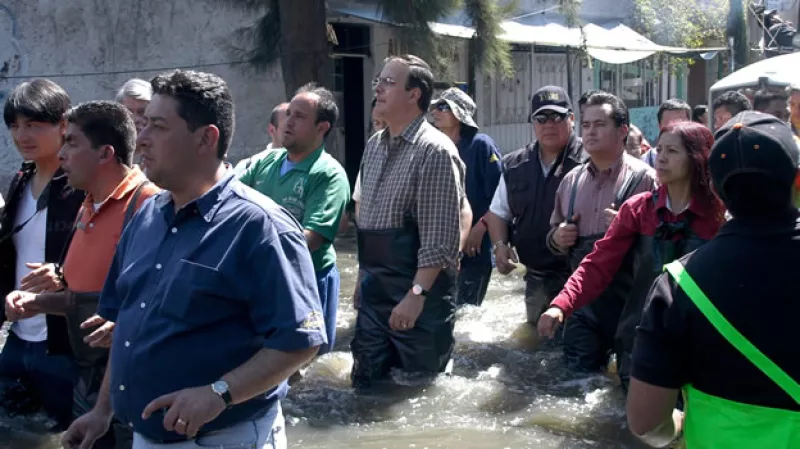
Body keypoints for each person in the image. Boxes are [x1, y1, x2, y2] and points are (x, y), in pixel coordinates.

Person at [61, 70, 326, 449]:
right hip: (145, 435)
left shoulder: (260, 226)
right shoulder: (146, 216)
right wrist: (103, 410)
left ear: (206, 138)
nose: (142, 140)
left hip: (223, 438)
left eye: (157, 126)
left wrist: (220, 392)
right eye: (142, 124)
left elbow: (300, 341)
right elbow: (128, 327)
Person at [627, 112, 800, 448]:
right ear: (797, 180)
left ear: (718, 191)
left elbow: (645, 422)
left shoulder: (678, 285)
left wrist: (675, 426)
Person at [5, 100, 158, 448]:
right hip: (89, 382)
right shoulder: (87, 203)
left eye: (71, 143)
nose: (62, 154)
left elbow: (159, 303)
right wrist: (39, 302)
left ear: (105, 154)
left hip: (132, 389)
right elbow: (88, 299)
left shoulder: (147, 205)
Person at [538, 122, 725, 392]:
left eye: (672, 151)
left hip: (698, 341)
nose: (660, 157)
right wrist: (561, 304)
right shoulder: (638, 210)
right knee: (636, 427)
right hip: (641, 338)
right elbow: (597, 264)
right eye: (659, 149)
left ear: (697, 159)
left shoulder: (718, 216)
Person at [351, 55, 466, 389]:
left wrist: (416, 294)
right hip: (375, 292)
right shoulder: (374, 145)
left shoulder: (435, 150)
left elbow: (440, 239)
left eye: (388, 82)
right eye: (378, 81)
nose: (378, 88)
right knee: (366, 385)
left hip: (420, 297)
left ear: (414, 94)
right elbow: (368, 223)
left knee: (418, 390)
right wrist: (362, 277)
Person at [547, 92, 656, 373]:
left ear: (622, 131)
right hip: (584, 306)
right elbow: (551, 238)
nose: (590, 132)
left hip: (633, 307)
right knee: (575, 384)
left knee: (629, 389)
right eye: (586, 125)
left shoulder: (646, 179)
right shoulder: (571, 181)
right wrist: (558, 238)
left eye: (599, 124)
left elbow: (665, 248)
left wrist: (629, 228)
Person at [239, 84, 350, 355]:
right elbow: (228, 198)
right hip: (263, 280)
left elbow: (311, 238)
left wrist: (254, 256)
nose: (288, 122)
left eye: (299, 116)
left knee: (306, 362)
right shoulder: (266, 162)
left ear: (322, 127)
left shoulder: (328, 174)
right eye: (289, 113)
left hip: (307, 281)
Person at [0, 79, 84, 430]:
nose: (22, 135)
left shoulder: (83, 185)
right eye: (15, 125)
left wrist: (64, 273)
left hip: (64, 344)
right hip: (19, 337)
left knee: (67, 434)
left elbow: (111, 256)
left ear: (64, 123)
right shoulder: (21, 179)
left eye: (34, 124)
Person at [484, 85, 587, 325]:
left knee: (578, 347)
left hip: (580, 277)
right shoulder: (514, 164)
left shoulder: (589, 160)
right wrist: (500, 246)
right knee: (537, 343)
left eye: (557, 116)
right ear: (533, 123)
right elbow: (498, 212)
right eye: (541, 118)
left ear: (571, 119)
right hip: (536, 277)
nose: (548, 124)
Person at [430, 87, 503, 307]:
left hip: (475, 248)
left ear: (459, 114)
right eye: (435, 107)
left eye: (443, 107)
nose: (436, 112)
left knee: (466, 312)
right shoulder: (435, 147)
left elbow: (502, 197)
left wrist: (480, 227)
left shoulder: (481, 145)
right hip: (442, 247)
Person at [234, 102, 290, 175]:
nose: (295, 129)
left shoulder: (307, 165)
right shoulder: (248, 167)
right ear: (272, 130)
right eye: (288, 125)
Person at [641, 99, 692, 168]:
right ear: (660, 127)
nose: (676, 130)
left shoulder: (701, 159)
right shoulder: (647, 162)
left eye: (681, 124)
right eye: (670, 126)